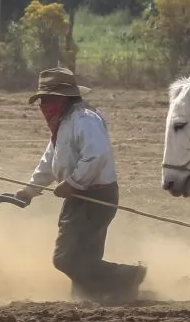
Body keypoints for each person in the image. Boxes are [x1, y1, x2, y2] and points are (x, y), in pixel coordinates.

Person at [14, 68, 147, 305]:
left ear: (65, 98)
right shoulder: (63, 123)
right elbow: (49, 162)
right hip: (79, 197)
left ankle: (128, 276)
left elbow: (96, 156)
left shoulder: (85, 119)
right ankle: (93, 298)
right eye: (42, 100)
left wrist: (73, 183)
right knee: (84, 256)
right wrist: (30, 190)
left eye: (49, 99)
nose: (44, 105)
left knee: (65, 258)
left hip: (95, 196)